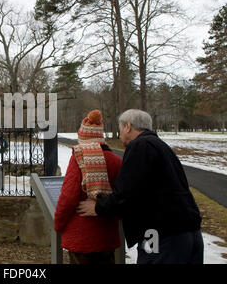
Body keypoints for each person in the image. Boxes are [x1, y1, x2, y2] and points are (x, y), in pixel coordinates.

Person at [77, 109, 203, 264]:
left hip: (159, 234)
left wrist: (98, 207)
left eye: (120, 128)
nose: (120, 133)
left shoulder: (140, 146)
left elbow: (126, 193)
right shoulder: (161, 146)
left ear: (128, 126)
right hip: (190, 232)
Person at [54, 109, 123, 264]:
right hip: (107, 236)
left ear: (83, 137)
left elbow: (69, 197)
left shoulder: (79, 158)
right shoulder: (117, 161)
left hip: (82, 239)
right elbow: (122, 196)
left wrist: (58, 223)